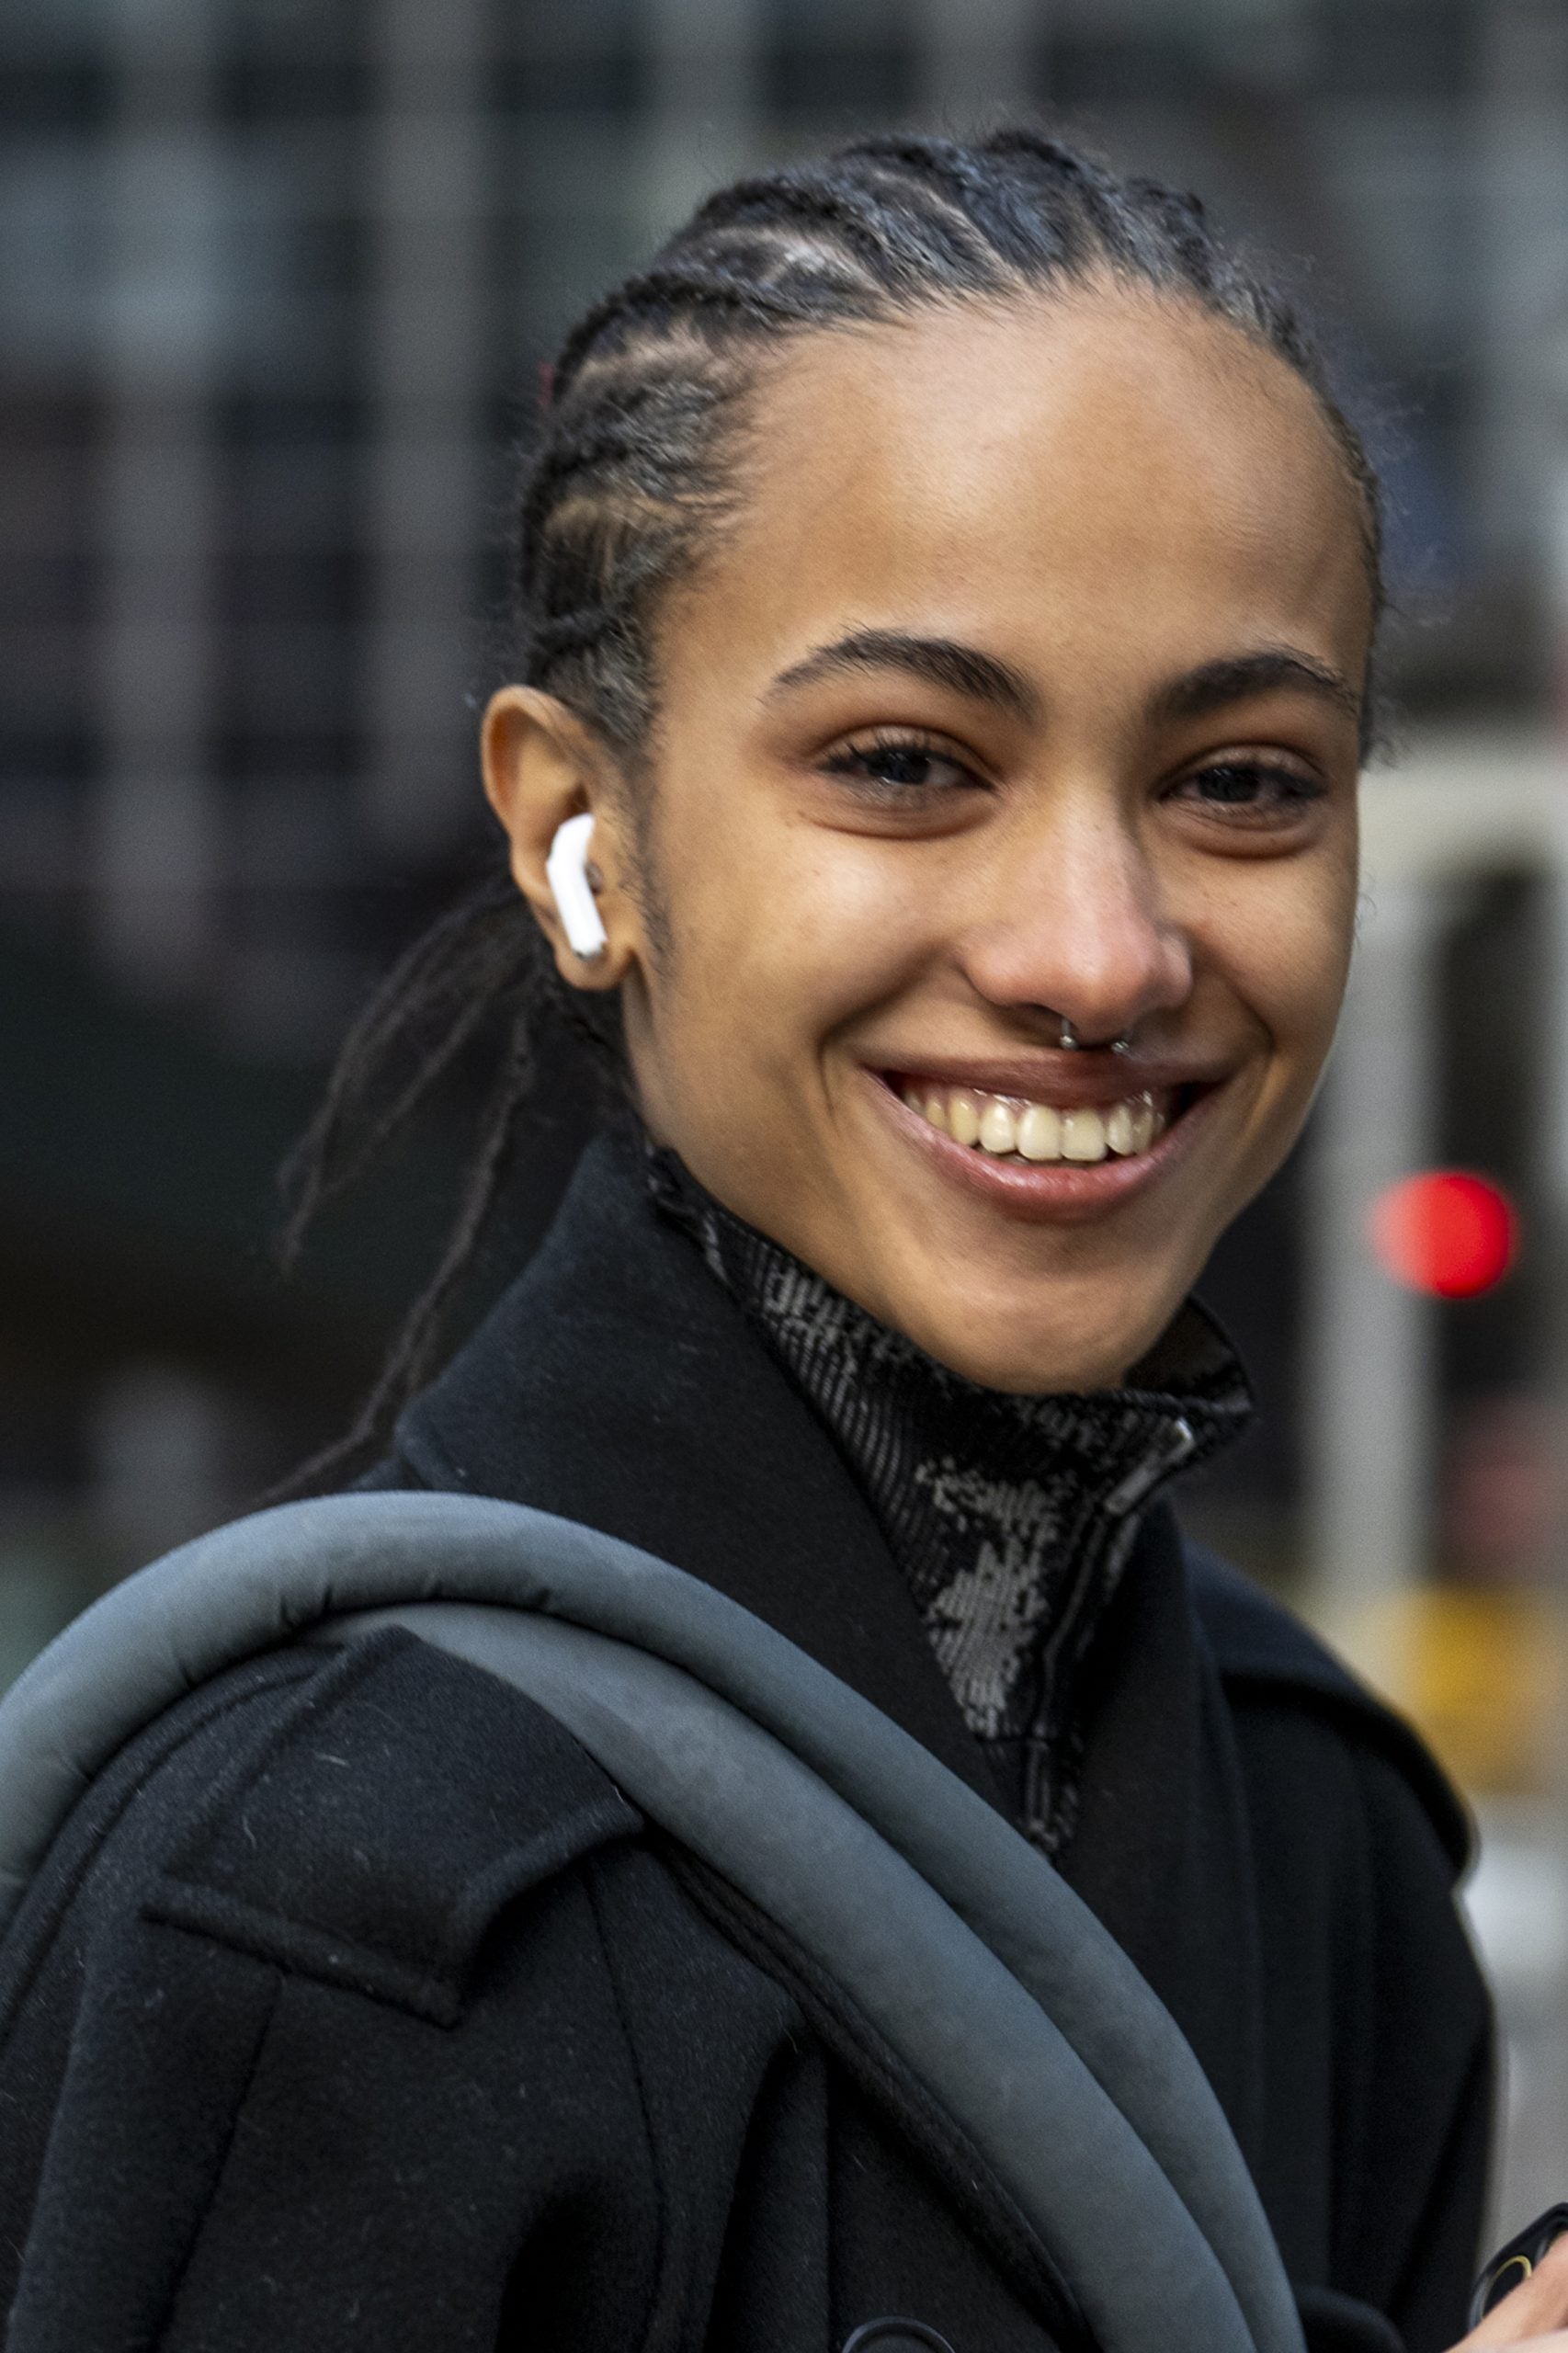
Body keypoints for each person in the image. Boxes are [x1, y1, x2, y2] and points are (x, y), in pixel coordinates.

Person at [0, 128, 1527, 2353]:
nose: (1098, 951)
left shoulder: (1325, 1830)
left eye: (1244, 778)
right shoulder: (314, 1885)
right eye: (908, 764)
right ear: (575, 828)